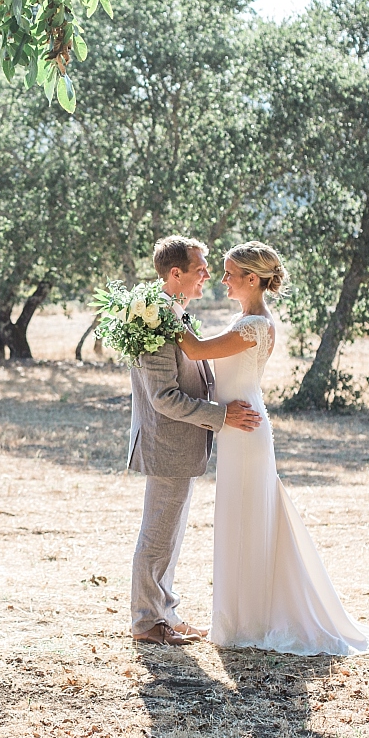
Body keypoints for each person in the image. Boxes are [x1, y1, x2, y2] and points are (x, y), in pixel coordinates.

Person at [178, 241, 369, 655]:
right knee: (239, 520)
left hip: (246, 433)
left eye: (230, 273)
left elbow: (195, 349)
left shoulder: (253, 327)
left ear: (253, 279)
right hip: (237, 429)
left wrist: (161, 312)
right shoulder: (245, 320)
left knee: (247, 521)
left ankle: (248, 622)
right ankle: (239, 618)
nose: (223, 279)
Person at [127, 236, 262, 646]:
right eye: (201, 267)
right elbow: (163, 397)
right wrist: (221, 417)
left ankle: (165, 611)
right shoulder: (152, 321)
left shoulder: (174, 314)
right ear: (176, 274)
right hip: (166, 443)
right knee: (158, 536)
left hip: (182, 445)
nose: (207, 274)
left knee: (171, 534)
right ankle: (148, 622)